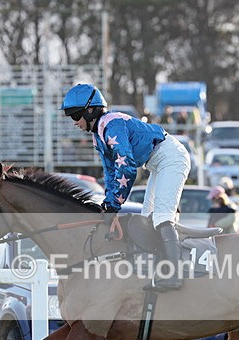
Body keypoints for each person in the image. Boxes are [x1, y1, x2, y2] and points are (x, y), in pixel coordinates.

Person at [61, 83, 191, 292]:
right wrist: (107, 205)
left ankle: (174, 274)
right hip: (158, 162)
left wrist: (114, 205)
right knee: (147, 216)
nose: (74, 122)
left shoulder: (112, 125)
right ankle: (158, 267)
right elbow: (111, 172)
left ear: (90, 110)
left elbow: (126, 167)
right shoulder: (99, 135)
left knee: (161, 217)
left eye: (76, 116)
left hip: (171, 157)